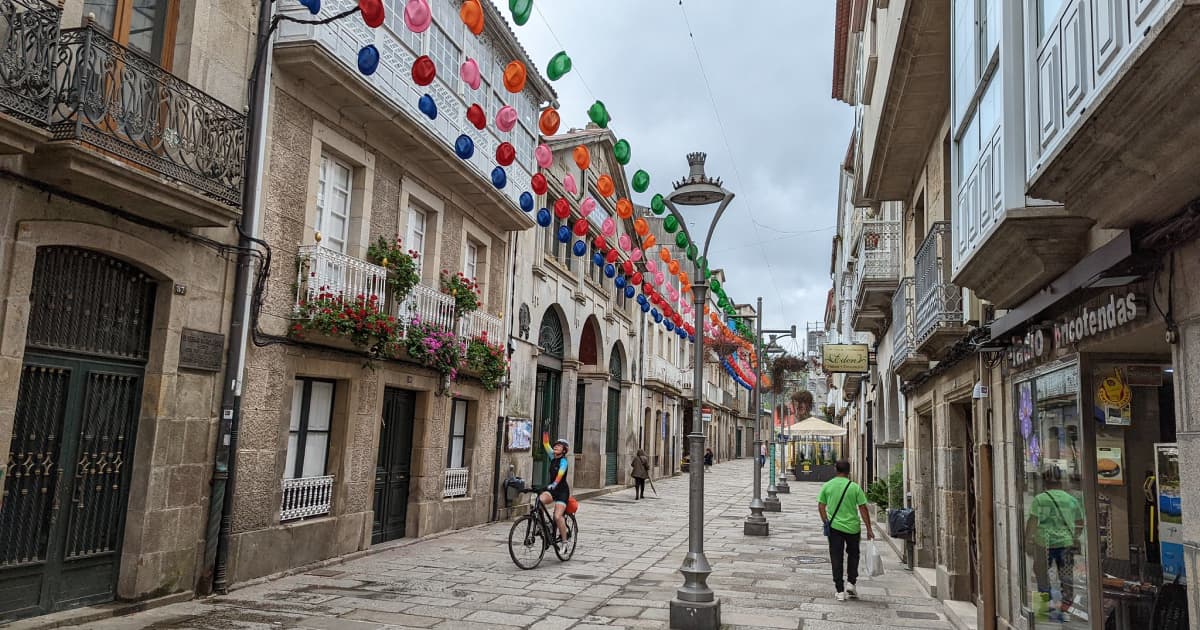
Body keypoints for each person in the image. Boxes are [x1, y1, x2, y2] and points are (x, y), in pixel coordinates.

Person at [1025, 474, 1085, 619]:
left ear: (1045, 485)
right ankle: (1066, 606)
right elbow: (1079, 522)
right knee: (1066, 575)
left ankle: (1044, 608)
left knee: (1042, 575)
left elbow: (1033, 522)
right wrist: (1074, 536)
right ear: (1061, 485)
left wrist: (1028, 540)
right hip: (1065, 543)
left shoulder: (1039, 499)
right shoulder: (1071, 500)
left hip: (1043, 543)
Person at [817, 460, 874, 601]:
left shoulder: (828, 486)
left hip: (835, 527)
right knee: (854, 555)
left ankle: (839, 590)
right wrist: (869, 528)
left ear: (836, 469)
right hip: (853, 528)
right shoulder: (854, 487)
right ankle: (851, 582)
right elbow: (863, 508)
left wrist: (826, 522)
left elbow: (821, 506)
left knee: (836, 557)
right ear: (849, 471)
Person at [540, 432, 571, 550]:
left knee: (558, 517)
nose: (556, 446)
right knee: (539, 502)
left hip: (562, 491)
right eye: (556, 445)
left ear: (564, 450)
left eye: (559, 445)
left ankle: (564, 541)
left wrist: (554, 484)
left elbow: (560, 474)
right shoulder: (552, 457)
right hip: (552, 490)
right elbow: (545, 443)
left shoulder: (564, 461)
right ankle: (543, 524)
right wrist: (545, 431)